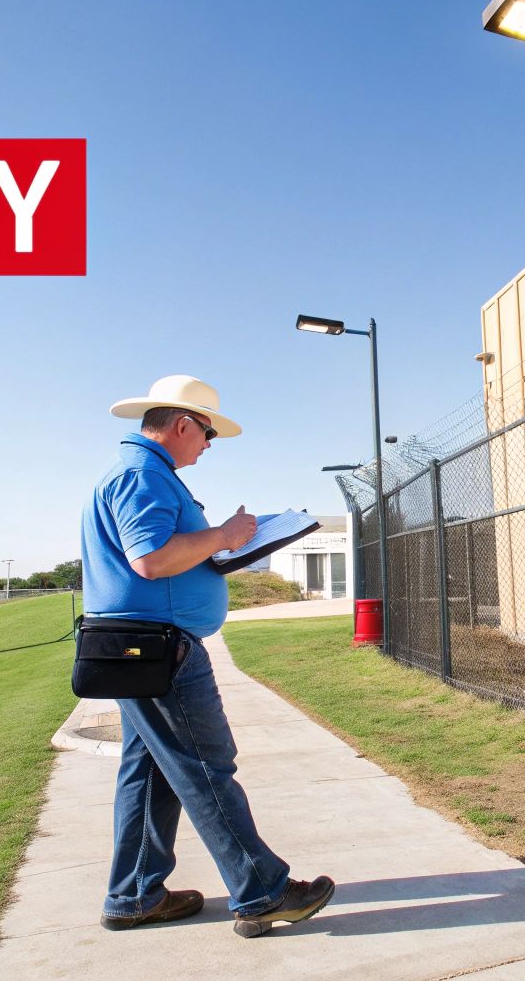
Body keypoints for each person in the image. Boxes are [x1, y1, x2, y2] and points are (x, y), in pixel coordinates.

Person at [83, 374, 335, 937]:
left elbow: (161, 557)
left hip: (140, 648)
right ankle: (262, 892)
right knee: (203, 766)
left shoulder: (143, 473)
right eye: (208, 433)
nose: (208, 444)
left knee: (150, 774)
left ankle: (135, 895)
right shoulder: (142, 474)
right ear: (182, 425)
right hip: (158, 647)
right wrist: (222, 535)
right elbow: (149, 558)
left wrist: (223, 544)